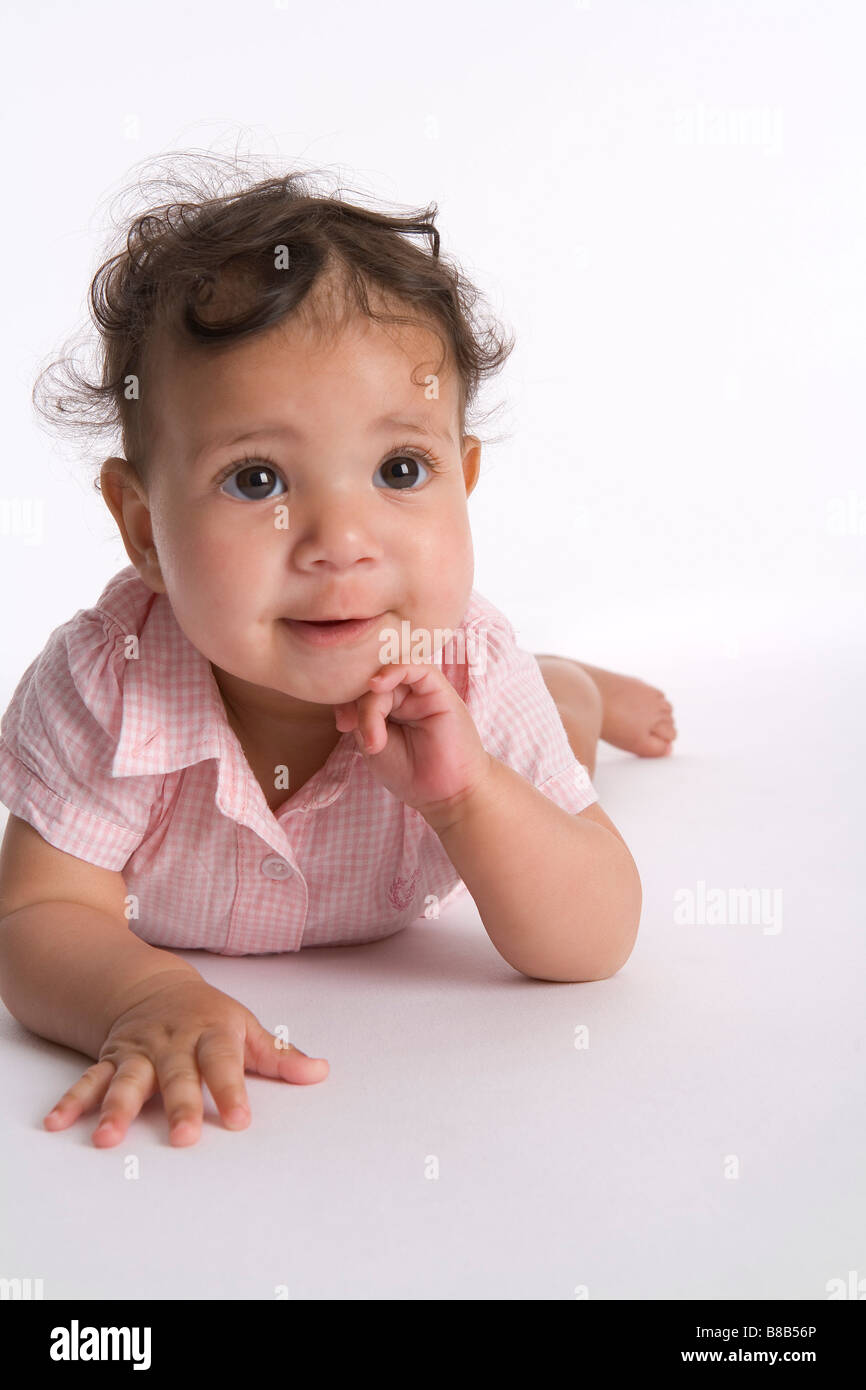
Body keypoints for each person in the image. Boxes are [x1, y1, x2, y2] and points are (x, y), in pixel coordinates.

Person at [0, 157, 676, 1149]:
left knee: (553, 750)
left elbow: (591, 944)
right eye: (256, 477)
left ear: (463, 480)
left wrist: (467, 796)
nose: (337, 540)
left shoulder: (470, 667)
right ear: (143, 529)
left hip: (490, 735)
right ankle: (567, 684)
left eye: (399, 469)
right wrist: (140, 990)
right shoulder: (109, 681)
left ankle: (568, 691)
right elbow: (36, 915)